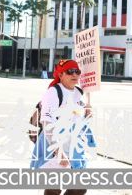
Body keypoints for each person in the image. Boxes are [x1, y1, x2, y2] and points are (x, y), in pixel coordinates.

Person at [30, 59, 95, 195]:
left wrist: (87, 113)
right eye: (70, 71)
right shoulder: (53, 92)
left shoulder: (78, 92)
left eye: (77, 71)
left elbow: (78, 119)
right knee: (54, 188)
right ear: (60, 74)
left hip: (74, 147)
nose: (75, 74)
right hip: (54, 145)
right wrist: (58, 152)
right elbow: (47, 123)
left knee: (79, 187)